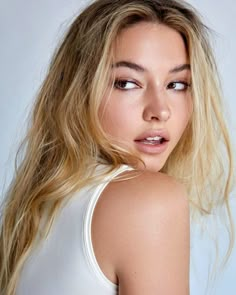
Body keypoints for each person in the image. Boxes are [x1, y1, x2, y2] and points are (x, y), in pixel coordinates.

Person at [0, 0, 234, 294]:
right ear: (80, 90)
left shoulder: (39, 208)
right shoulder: (149, 199)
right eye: (127, 83)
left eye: (176, 84)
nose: (159, 111)